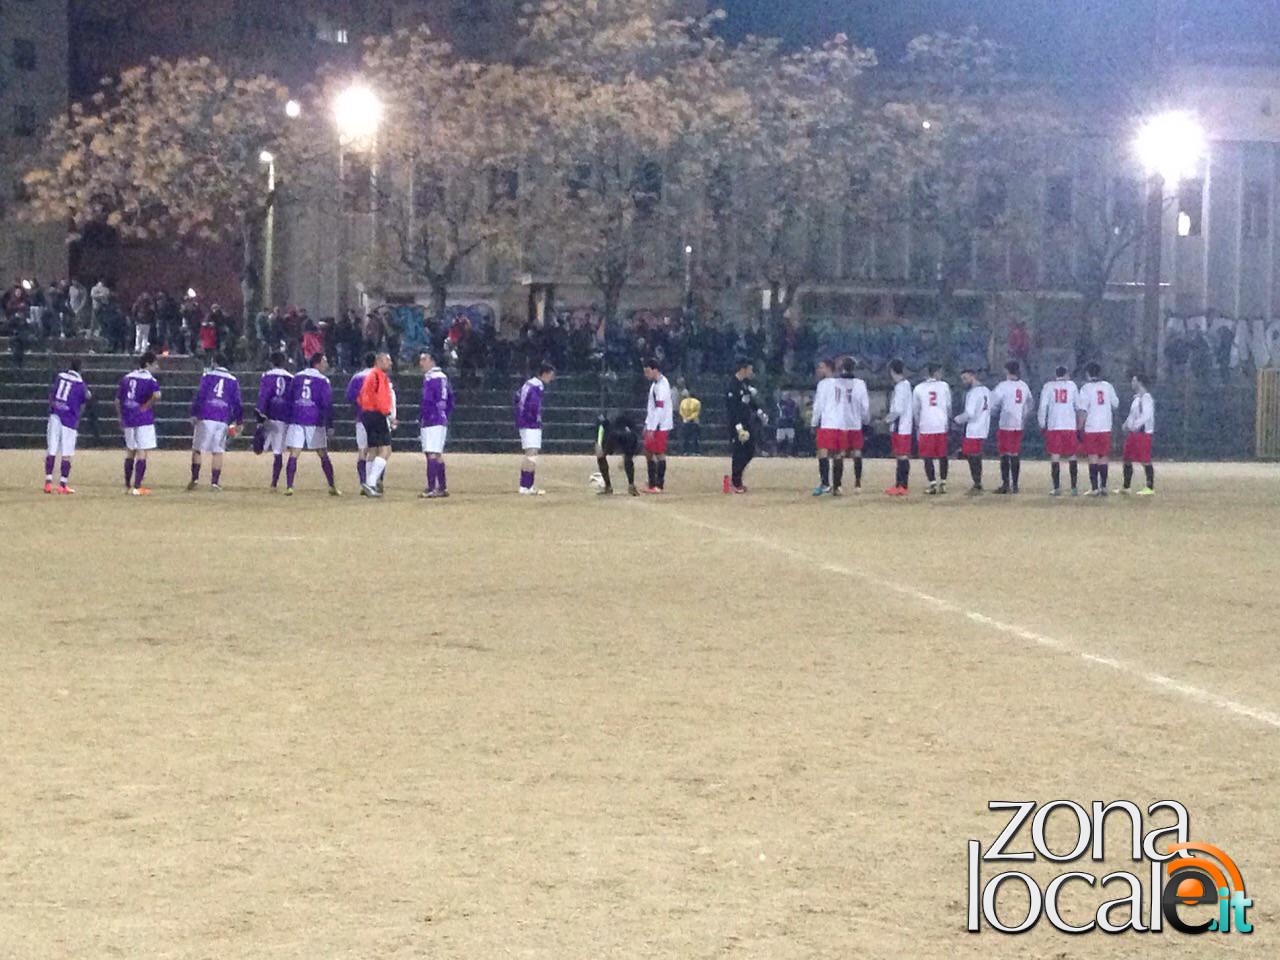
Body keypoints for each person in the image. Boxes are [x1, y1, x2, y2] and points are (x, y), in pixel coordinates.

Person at [283, 353, 340, 496]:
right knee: (322, 453)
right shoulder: (323, 380)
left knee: (294, 453)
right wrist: (330, 424)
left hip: (297, 418)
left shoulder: (297, 377)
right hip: (315, 420)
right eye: (324, 361)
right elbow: (326, 404)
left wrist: (289, 417)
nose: (326, 364)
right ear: (317, 363)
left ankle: (289, 486)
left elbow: (289, 398)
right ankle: (332, 486)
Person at [187, 353, 244, 491]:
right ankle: (214, 483)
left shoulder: (208, 376)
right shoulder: (233, 380)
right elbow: (237, 403)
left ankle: (195, 479)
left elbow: (200, 395)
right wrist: (239, 421)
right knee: (218, 451)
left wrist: (194, 413)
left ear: (215, 362)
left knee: (198, 449)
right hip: (222, 417)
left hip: (206, 415)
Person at [116, 351, 162, 496]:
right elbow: (157, 395)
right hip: (143, 418)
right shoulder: (150, 380)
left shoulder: (127, 378)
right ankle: (137, 486)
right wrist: (146, 406)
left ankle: (127, 485)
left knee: (130, 451)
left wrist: (120, 416)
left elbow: (117, 400)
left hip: (128, 417)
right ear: (148, 364)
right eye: (155, 364)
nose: (157, 367)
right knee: (142, 451)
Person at [44, 359, 90, 494]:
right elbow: (85, 398)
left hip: (55, 415)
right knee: (66, 452)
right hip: (69, 419)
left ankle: (48, 482)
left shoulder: (60, 377)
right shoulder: (80, 384)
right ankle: (62, 484)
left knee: (51, 449)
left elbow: (51, 395)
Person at [357, 352, 397, 498]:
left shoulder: (370, 376)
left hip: (366, 414)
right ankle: (372, 482)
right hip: (376, 414)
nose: (390, 363)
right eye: (388, 360)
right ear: (379, 361)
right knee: (386, 450)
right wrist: (388, 415)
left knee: (373, 450)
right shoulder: (379, 376)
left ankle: (367, 483)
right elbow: (381, 398)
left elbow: (360, 396)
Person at [989, 360, 1032, 494]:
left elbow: (993, 404)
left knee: (1004, 454)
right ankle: (1015, 485)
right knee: (1015, 453)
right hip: (1018, 424)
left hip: (1005, 423)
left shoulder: (1002, 386)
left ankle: (1006, 483)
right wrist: (1023, 417)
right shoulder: (1023, 386)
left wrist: (993, 414)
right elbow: (1029, 404)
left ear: (1007, 371)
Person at [1077, 361, 1119, 496]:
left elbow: (1083, 410)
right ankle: (1104, 487)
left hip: (1091, 427)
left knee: (1093, 457)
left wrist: (1079, 427)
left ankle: (1094, 488)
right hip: (1106, 426)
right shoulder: (1108, 386)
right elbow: (1115, 404)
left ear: (1087, 374)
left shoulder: (1085, 389)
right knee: (1103, 456)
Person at [1038, 365, 1081, 497]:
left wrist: (1042, 423)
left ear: (1056, 374)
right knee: (1072, 455)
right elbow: (1078, 406)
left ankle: (1057, 488)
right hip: (1069, 425)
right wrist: (1079, 425)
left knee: (1055, 456)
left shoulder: (1048, 386)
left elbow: (1042, 407)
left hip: (1054, 425)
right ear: (1066, 374)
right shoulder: (1072, 386)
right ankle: (1073, 488)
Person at [724, 357, 765, 494]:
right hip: (737, 424)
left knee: (750, 450)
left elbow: (750, 401)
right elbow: (732, 409)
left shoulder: (745, 384)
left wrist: (759, 412)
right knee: (738, 452)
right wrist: (738, 428)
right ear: (743, 369)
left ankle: (736, 478)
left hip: (747, 422)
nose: (751, 372)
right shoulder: (732, 386)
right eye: (750, 369)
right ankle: (736, 482)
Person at [418, 348, 454, 499]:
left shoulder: (431, 378)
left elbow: (427, 400)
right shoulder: (443, 377)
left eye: (424, 359)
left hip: (431, 419)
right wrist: (445, 413)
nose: (421, 363)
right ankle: (442, 486)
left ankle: (432, 487)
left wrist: (423, 417)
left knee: (431, 453)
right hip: (440, 418)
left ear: (432, 360)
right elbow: (451, 399)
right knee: (437, 453)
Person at [254, 352, 293, 491]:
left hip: (270, 413)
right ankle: (274, 482)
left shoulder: (267, 375)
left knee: (261, 444)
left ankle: (262, 443)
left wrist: (260, 414)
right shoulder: (290, 377)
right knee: (278, 451)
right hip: (283, 415)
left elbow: (264, 395)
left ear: (271, 362)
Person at [515, 362, 556, 496]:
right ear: (544, 374)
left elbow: (517, 398)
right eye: (550, 375)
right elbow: (533, 404)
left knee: (529, 453)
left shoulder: (528, 384)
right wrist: (535, 419)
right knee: (532, 454)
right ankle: (527, 485)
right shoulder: (537, 386)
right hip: (531, 424)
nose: (551, 378)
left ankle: (524, 485)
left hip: (523, 422)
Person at [912, 362, 952, 495]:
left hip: (926, 425)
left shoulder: (918, 388)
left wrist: (918, 424)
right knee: (943, 455)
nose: (942, 375)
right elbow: (948, 406)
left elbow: (916, 410)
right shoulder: (944, 386)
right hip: (941, 424)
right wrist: (947, 420)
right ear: (935, 373)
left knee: (927, 456)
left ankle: (932, 483)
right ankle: (944, 483)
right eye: (940, 372)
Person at [954, 369, 992, 495]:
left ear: (972, 376)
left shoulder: (973, 393)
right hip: (983, 427)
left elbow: (970, 413)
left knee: (973, 457)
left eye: (965, 378)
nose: (964, 382)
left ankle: (977, 483)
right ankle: (977, 482)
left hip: (974, 429)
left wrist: (957, 419)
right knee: (975, 456)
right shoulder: (986, 390)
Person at [1121, 372, 1156, 496]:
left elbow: (1146, 415)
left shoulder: (1146, 398)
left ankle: (1150, 487)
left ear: (1140, 382)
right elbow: (1133, 415)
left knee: (1145, 459)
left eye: (1134, 380)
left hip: (1142, 433)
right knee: (1127, 458)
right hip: (1133, 433)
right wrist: (1126, 423)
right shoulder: (1136, 399)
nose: (1132, 383)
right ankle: (1126, 486)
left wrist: (1135, 425)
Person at [642, 357, 672, 494]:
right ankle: (652, 482)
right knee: (649, 451)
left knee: (659, 453)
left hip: (660, 425)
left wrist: (652, 428)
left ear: (655, 370)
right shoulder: (655, 384)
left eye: (648, 371)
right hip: (655, 423)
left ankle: (658, 484)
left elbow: (659, 408)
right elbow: (652, 408)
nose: (646, 375)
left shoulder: (661, 386)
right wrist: (647, 424)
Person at [884, 359, 913, 496]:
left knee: (902, 456)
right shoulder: (903, 385)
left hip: (900, 426)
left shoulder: (901, 386)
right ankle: (899, 484)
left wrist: (887, 419)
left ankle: (903, 485)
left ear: (891, 371)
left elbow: (898, 409)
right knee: (899, 456)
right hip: (901, 426)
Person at [346, 353, 375, 492]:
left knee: (362, 451)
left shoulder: (357, 377)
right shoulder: (379, 376)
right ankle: (372, 481)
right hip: (377, 418)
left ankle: (363, 482)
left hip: (361, 417)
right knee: (376, 450)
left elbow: (350, 397)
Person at [594, 412, 641, 496]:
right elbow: (635, 438)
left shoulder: (604, 417)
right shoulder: (628, 416)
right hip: (625, 434)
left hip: (613, 434)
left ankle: (608, 487)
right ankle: (631, 485)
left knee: (601, 456)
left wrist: (599, 443)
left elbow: (601, 426)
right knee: (628, 458)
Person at [678, 387, 702, 455]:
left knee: (686, 438)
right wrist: (690, 418)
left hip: (685, 421)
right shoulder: (697, 402)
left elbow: (681, 411)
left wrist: (685, 418)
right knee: (695, 438)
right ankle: (696, 451)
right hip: (694, 422)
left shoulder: (683, 401)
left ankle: (685, 451)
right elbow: (697, 412)